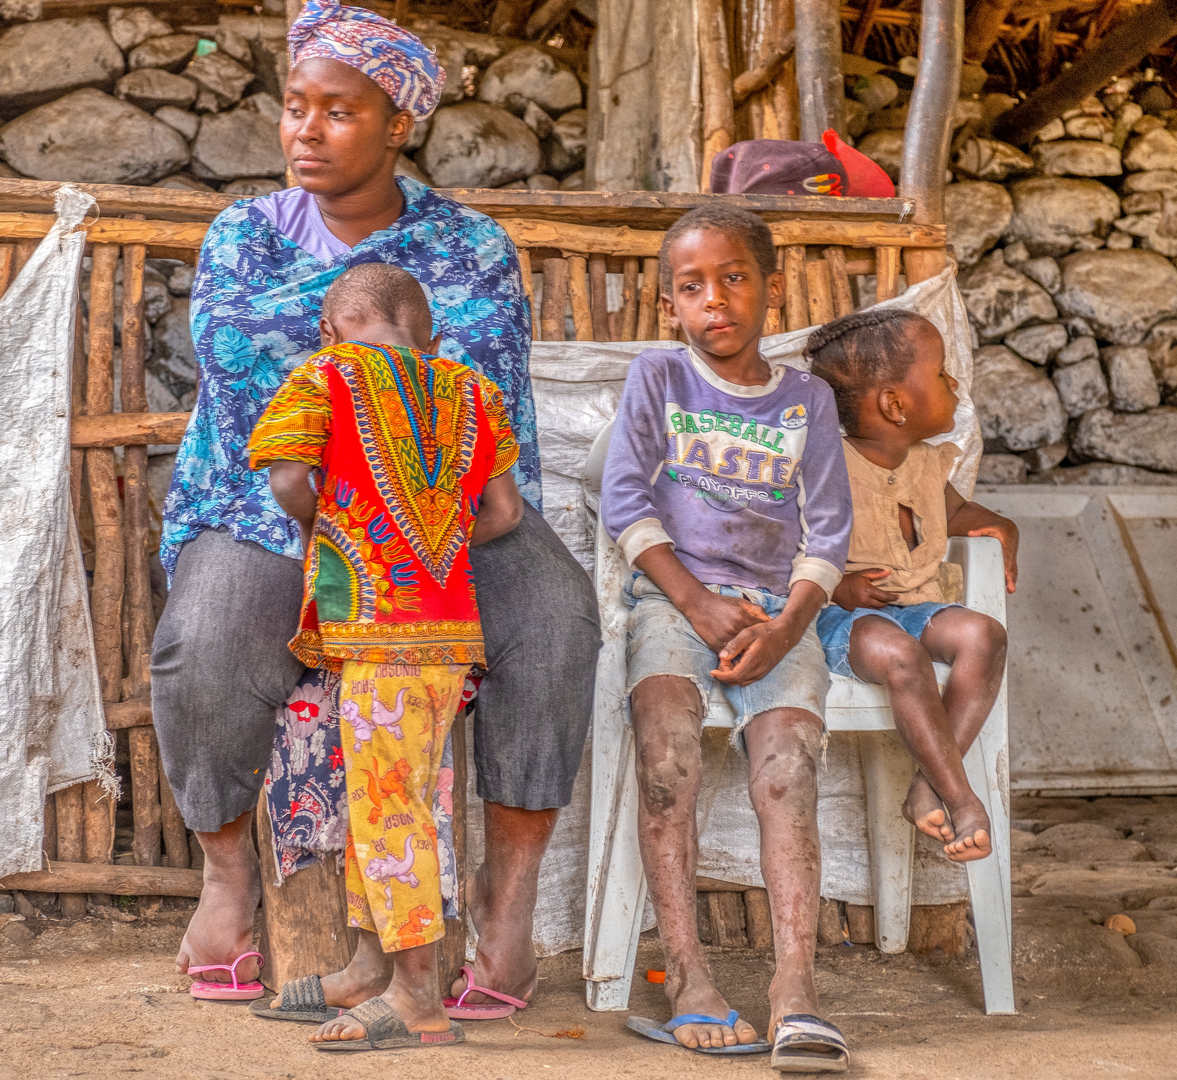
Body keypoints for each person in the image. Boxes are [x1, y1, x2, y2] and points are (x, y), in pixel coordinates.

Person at [152, 0, 599, 1019]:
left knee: (554, 621)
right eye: (295, 106)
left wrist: (335, 355)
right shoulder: (243, 234)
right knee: (206, 640)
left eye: (339, 110)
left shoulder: (472, 242)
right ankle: (227, 880)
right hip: (277, 509)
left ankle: (505, 907)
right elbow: (238, 370)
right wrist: (394, 357)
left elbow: (482, 392)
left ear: (399, 122)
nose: (305, 129)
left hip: (449, 519)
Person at [599, 204, 854, 1072]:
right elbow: (626, 504)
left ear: (771, 290)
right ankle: (692, 979)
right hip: (673, 602)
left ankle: (796, 987)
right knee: (666, 757)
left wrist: (788, 629)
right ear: (670, 304)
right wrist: (698, 604)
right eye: (693, 286)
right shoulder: (660, 381)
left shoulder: (807, 401)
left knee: (788, 769)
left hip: (778, 613)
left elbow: (828, 535)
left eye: (735, 278)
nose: (717, 300)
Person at [246, 263, 523, 1050]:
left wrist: (339, 529)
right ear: (428, 332)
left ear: (331, 329)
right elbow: (503, 512)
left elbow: (290, 480)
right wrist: (428, 544)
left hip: (374, 628)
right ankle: (369, 968)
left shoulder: (325, 373)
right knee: (395, 798)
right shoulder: (474, 392)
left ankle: (416, 998)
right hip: (447, 637)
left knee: (388, 808)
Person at [806, 308, 1016, 863]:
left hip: (916, 609)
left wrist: (1005, 528)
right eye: (943, 372)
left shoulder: (926, 465)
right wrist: (836, 585)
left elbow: (963, 513)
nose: (954, 383)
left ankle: (928, 783)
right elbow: (775, 546)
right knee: (899, 653)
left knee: (984, 635)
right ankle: (962, 797)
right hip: (837, 620)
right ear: (895, 404)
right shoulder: (826, 464)